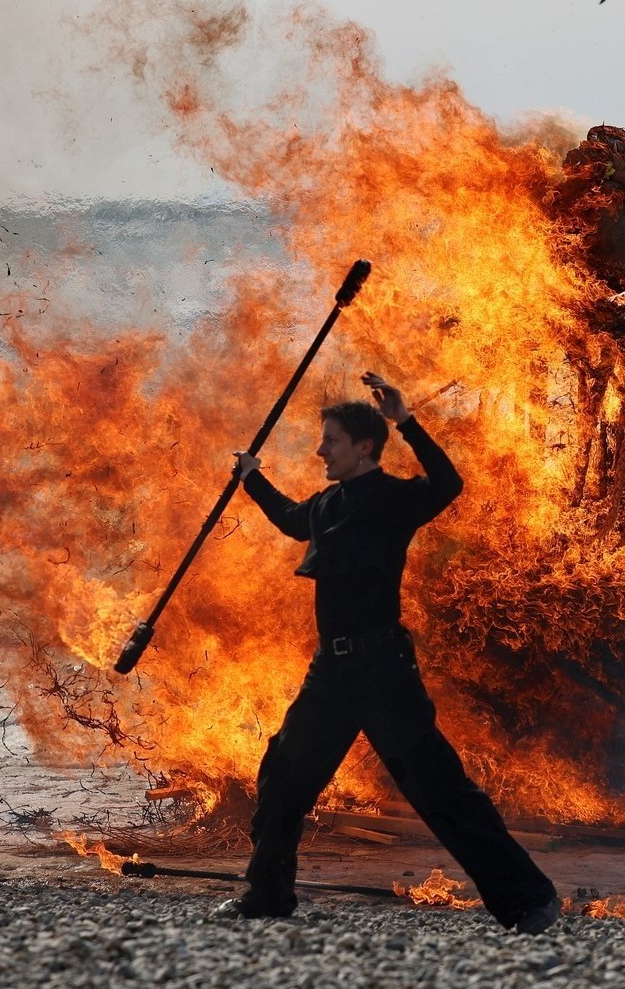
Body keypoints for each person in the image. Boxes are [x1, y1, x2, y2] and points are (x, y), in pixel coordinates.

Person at [217, 371, 560, 935]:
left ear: (364, 446)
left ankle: (529, 901)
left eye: (330, 440)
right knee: (284, 775)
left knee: (438, 789)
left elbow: (448, 483)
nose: (320, 449)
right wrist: (253, 479)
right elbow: (288, 518)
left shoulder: (396, 500)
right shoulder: (328, 503)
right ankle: (268, 895)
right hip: (330, 671)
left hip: (382, 670)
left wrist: (406, 421)